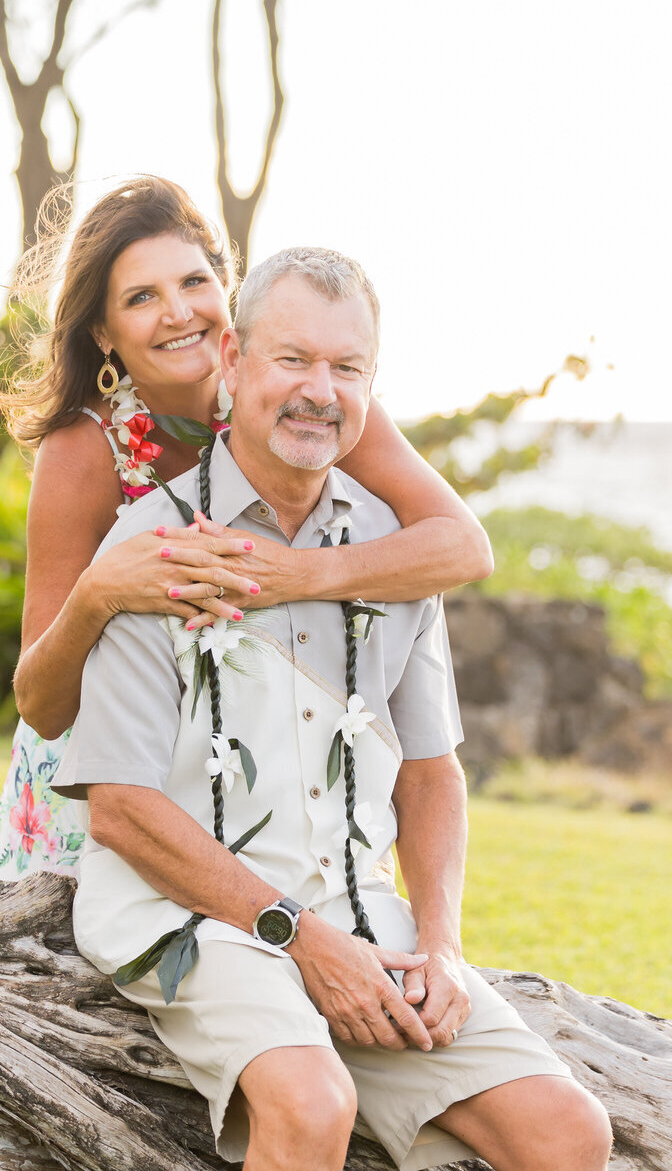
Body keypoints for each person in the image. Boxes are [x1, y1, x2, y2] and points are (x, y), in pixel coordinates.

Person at [51, 248, 612, 1171]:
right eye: (294, 360)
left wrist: (439, 945)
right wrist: (300, 940)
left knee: (568, 1132)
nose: (321, 391)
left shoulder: (396, 553)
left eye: (348, 369)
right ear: (231, 360)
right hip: (192, 913)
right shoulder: (157, 545)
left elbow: (431, 771)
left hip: (357, 913)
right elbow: (118, 808)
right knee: (312, 1105)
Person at [0, 175, 493, 880]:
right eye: (140, 297)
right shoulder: (84, 450)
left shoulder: (310, 400)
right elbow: (40, 703)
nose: (179, 312)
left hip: (256, 782)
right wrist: (100, 594)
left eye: (194, 281)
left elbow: (463, 545)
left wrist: (296, 576)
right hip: (103, 789)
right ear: (102, 331)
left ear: (227, 287)